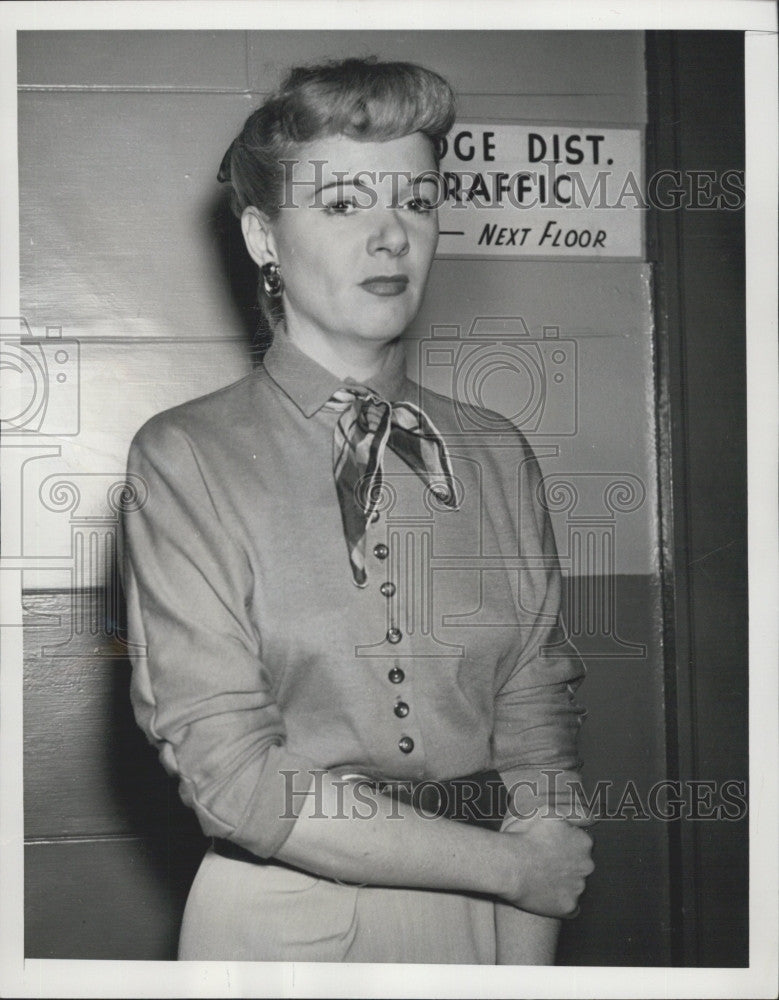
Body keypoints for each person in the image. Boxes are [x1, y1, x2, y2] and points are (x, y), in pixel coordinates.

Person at [122, 56, 594, 965]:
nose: (390, 238)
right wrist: (508, 870)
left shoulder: (496, 453)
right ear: (263, 236)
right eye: (342, 205)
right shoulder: (185, 457)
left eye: (415, 202)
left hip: (494, 919)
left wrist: (522, 955)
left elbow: (537, 734)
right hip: (282, 921)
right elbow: (237, 777)